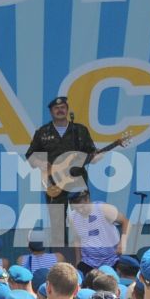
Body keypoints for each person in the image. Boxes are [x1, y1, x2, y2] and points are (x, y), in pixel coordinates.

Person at [25, 97, 98, 247]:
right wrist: (40, 162)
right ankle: (61, 257)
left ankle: (88, 254)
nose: (60, 110)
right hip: (53, 182)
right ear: (51, 112)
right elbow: (30, 155)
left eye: (63, 107)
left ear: (67, 109)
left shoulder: (80, 130)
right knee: (57, 222)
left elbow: (92, 153)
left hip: (77, 180)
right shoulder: (43, 132)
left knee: (84, 218)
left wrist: (95, 157)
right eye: (56, 108)